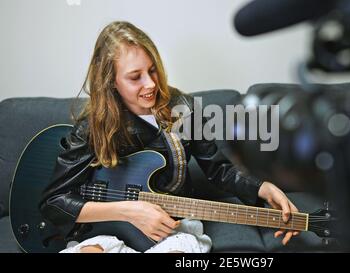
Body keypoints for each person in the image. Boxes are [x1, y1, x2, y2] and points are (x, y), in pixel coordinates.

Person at [39, 21, 299, 253]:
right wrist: (128, 211)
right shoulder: (91, 127)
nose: (150, 84)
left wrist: (262, 187)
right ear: (111, 82)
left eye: (152, 71)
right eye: (135, 77)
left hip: (170, 227)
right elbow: (53, 202)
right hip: (106, 231)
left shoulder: (183, 108)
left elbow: (219, 170)